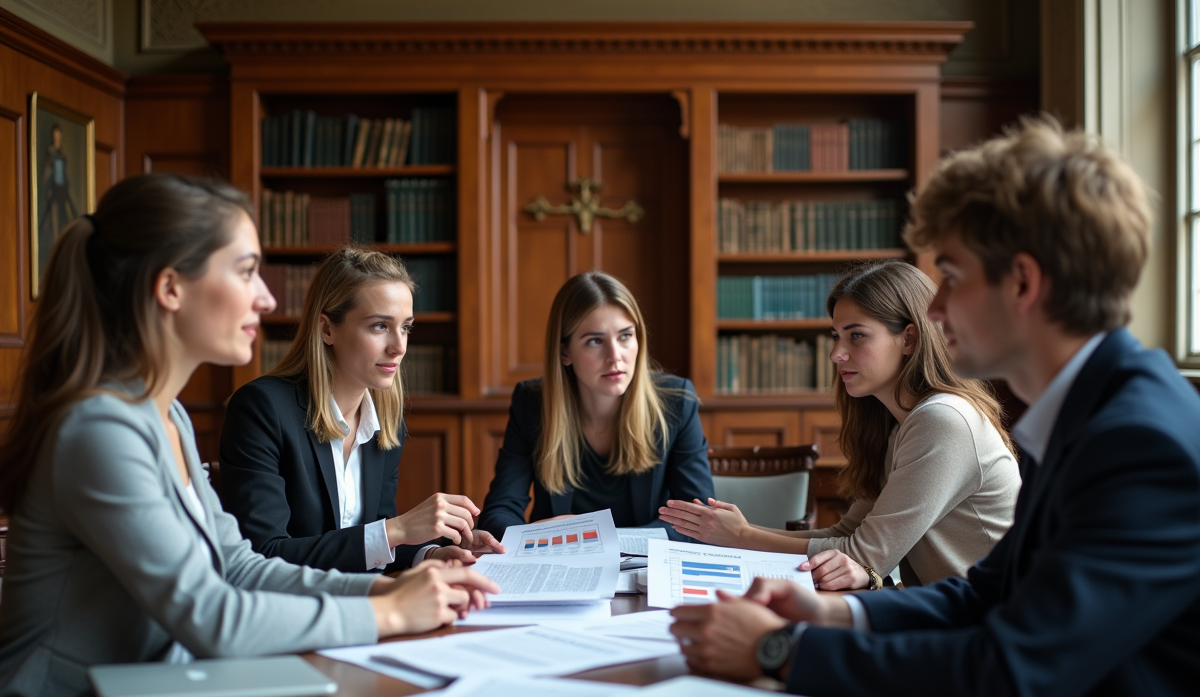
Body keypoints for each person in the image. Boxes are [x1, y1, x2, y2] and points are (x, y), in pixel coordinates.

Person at [667, 118, 1200, 697]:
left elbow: (1011, 675)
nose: (937, 307)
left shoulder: (1136, 440)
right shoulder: (1084, 409)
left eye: (950, 277)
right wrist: (836, 613)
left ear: (1023, 283)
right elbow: (985, 593)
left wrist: (780, 650)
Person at [0, 174, 497, 697]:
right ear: (170, 289)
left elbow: (237, 565)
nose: (265, 297)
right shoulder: (98, 431)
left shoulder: (168, 420)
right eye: (244, 271)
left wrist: (399, 585)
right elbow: (212, 616)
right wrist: (386, 609)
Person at [659, 260, 1018, 590]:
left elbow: (863, 554)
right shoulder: (899, 428)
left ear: (909, 339)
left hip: (995, 630)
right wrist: (737, 530)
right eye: (835, 336)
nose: (836, 354)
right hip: (950, 618)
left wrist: (741, 537)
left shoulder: (943, 421)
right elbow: (846, 532)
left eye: (856, 335)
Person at [219, 248, 504, 574]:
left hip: (366, 603)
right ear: (327, 329)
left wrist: (431, 554)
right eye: (380, 326)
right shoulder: (261, 408)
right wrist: (398, 528)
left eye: (406, 327)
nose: (399, 347)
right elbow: (263, 555)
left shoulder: (386, 422)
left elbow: (368, 541)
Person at [478, 271, 713, 538]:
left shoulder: (676, 402)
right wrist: (534, 534)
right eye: (595, 341)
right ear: (565, 352)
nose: (615, 357)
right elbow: (499, 511)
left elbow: (698, 520)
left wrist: (592, 535)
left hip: (647, 570)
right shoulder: (532, 402)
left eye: (625, 336)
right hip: (560, 568)